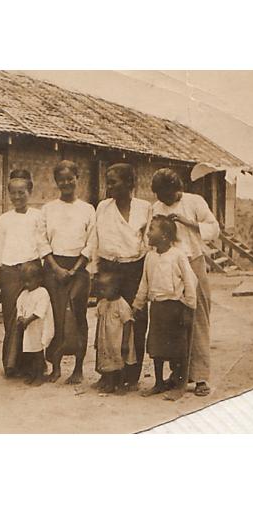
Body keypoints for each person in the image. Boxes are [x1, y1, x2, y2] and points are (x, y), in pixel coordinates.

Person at [151, 168, 219, 397]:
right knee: (174, 322)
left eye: (168, 195)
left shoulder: (194, 201)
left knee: (198, 318)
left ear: (177, 188)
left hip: (194, 262)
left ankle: (200, 377)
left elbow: (213, 228)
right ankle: (179, 374)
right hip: (170, 267)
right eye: (161, 196)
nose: (165, 200)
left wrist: (187, 222)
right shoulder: (157, 207)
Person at [95, 163, 151, 390]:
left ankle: (131, 375)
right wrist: (96, 272)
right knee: (108, 322)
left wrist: (144, 275)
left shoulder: (144, 208)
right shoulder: (103, 208)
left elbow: (147, 243)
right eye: (107, 182)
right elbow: (95, 240)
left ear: (130, 183)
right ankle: (108, 373)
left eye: (114, 182)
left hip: (134, 269)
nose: (109, 187)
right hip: (109, 268)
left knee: (134, 320)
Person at [40, 160, 96, 384]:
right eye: (61, 179)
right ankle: (55, 366)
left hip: (79, 269)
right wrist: (56, 267)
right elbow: (41, 240)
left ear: (77, 178)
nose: (66, 183)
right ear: (56, 182)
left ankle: (78, 368)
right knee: (56, 317)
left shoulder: (87, 209)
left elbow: (92, 241)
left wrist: (74, 269)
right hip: (54, 267)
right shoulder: (48, 209)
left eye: (69, 178)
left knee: (78, 316)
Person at [132, 215, 197, 401]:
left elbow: (190, 281)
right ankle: (159, 382)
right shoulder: (150, 257)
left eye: (152, 229)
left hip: (175, 307)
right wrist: (138, 304)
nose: (148, 233)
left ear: (165, 236)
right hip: (157, 308)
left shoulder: (178, 256)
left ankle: (179, 385)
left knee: (177, 349)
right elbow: (144, 283)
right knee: (156, 347)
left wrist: (189, 306)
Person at [0, 169, 49, 376]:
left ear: (30, 191)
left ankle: (34, 365)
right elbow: (1, 247)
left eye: (22, 192)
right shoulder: (4, 218)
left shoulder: (38, 216)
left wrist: (41, 270)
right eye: (13, 193)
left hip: (32, 270)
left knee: (32, 317)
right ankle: (12, 364)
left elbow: (43, 243)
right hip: (10, 271)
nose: (17, 197)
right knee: (12, 317)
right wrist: (0, 274)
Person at [93, 271, 136, 394]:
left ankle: (121, 384)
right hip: (106, 339)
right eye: (100, 289)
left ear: (116, 288)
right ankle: (110, 383)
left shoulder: (121, 304)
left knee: (120, 362)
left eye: (104, 289)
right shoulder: (102, 303)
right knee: (109, 362)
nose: (101, 292)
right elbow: (99, 321)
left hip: (118, 339)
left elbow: (128, 322)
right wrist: (97, 339)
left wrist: (125, 342)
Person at [16, 263, 54, 387]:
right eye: (24, 281)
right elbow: (19, 306)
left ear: (39, 279)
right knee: (29, 352)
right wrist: (20, 317)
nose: (26, 284)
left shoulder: (43, 292)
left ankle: (40, 375)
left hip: (39, 327)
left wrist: (27, 320)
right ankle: (32, 374)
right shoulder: (24, 294)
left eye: (29, 281)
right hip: (28, 328)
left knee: (38, 352)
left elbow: (40, 311)